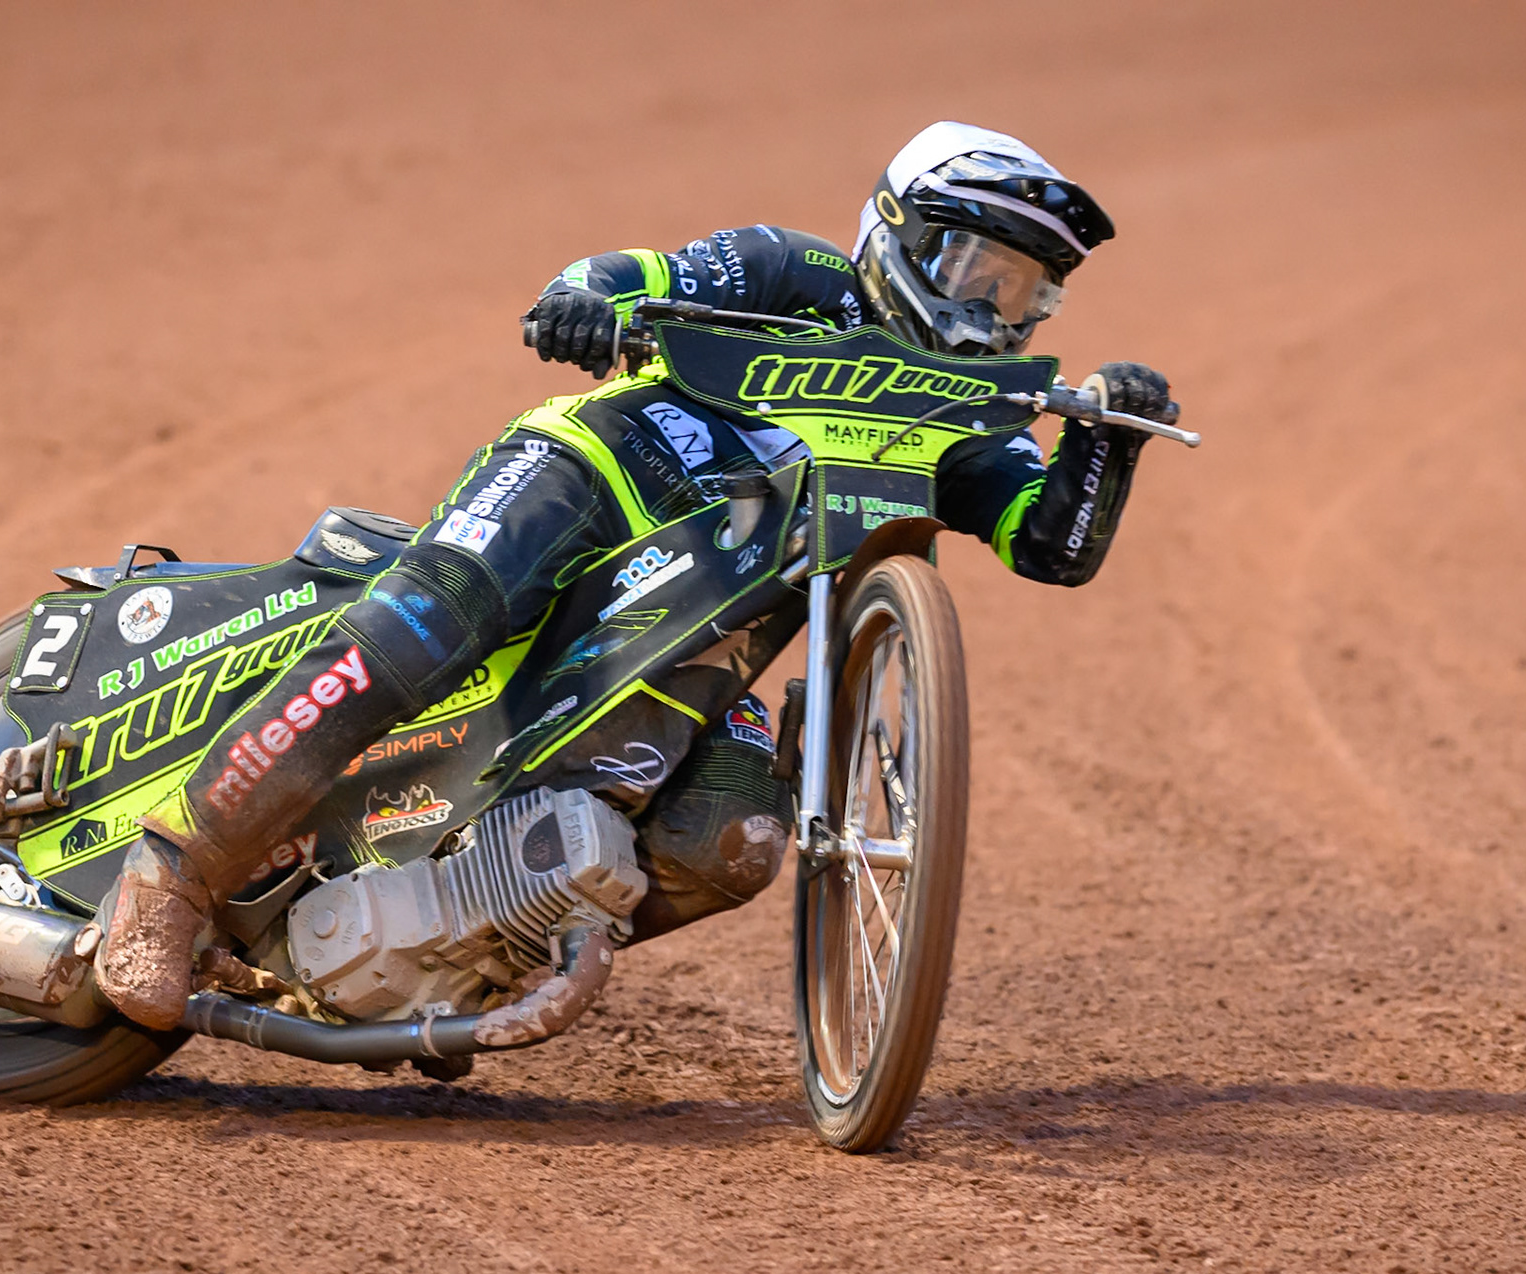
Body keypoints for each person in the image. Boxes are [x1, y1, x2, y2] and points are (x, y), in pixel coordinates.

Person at [95, 120, 1173, 1030]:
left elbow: (1049, 541)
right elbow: (629, 275)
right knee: (431, 621)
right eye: (976, 270)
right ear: (901, 237)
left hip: (689, 638)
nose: (993, 308)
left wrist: (1107, 444)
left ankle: (474, 939)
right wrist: (586, 298)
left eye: (1025, 292)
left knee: (736, 839)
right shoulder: (796, 274)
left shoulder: (970, 418)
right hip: (590, 475)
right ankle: (170, 875)